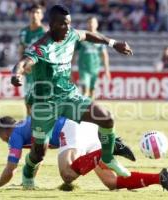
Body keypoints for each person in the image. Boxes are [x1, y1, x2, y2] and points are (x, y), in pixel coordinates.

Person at [11, 5, 133, 189]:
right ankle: (28, 174)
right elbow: (23, 62)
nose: (67, 28)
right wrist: (16, 75)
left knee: (106, 118)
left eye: (69, 24)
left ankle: (107, 158)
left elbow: (88, 35)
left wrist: (113, 43)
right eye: (63, 25)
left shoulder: (70, 35)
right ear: (51, 25)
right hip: (45, 105)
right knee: (39, 153)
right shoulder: (41, 47)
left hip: (69, 96)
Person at [0, 116, 168, 192]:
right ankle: (160, 178)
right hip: (87, 127)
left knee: (68, 175)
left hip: (70, 129)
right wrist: (28, 182)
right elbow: (36, 158)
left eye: (3, 139)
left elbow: (11, 168)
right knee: (111, 182)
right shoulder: (27, 126)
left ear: (4, 133)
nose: (7, 142)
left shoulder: (14, 134)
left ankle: (110, 148)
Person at [18, 3, 46, 115]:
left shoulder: (45, 32)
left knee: (42, 100)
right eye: (33, 12)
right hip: (29, 70)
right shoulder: (24, 32)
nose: (35, 15)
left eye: (37, 12)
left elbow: (48, 53)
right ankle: (29, 123)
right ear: (28, 14)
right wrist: (21, 66)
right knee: (28, 99)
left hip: (42, 70)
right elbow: (21, 49)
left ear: (42, 15)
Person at [74, 16, 110, 99]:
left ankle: (90, 108)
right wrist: (71, 66)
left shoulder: (100, 37)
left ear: (97, 24)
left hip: (95, 68)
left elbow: (104, 55)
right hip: (83, 68)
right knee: (85, 90)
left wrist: (106, 70)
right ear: (87, 24)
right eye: (89, 22)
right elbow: (74, 53)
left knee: (92, 91)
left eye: (93, 22)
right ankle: (84, 108)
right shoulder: (82, 37)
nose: (91, 24)